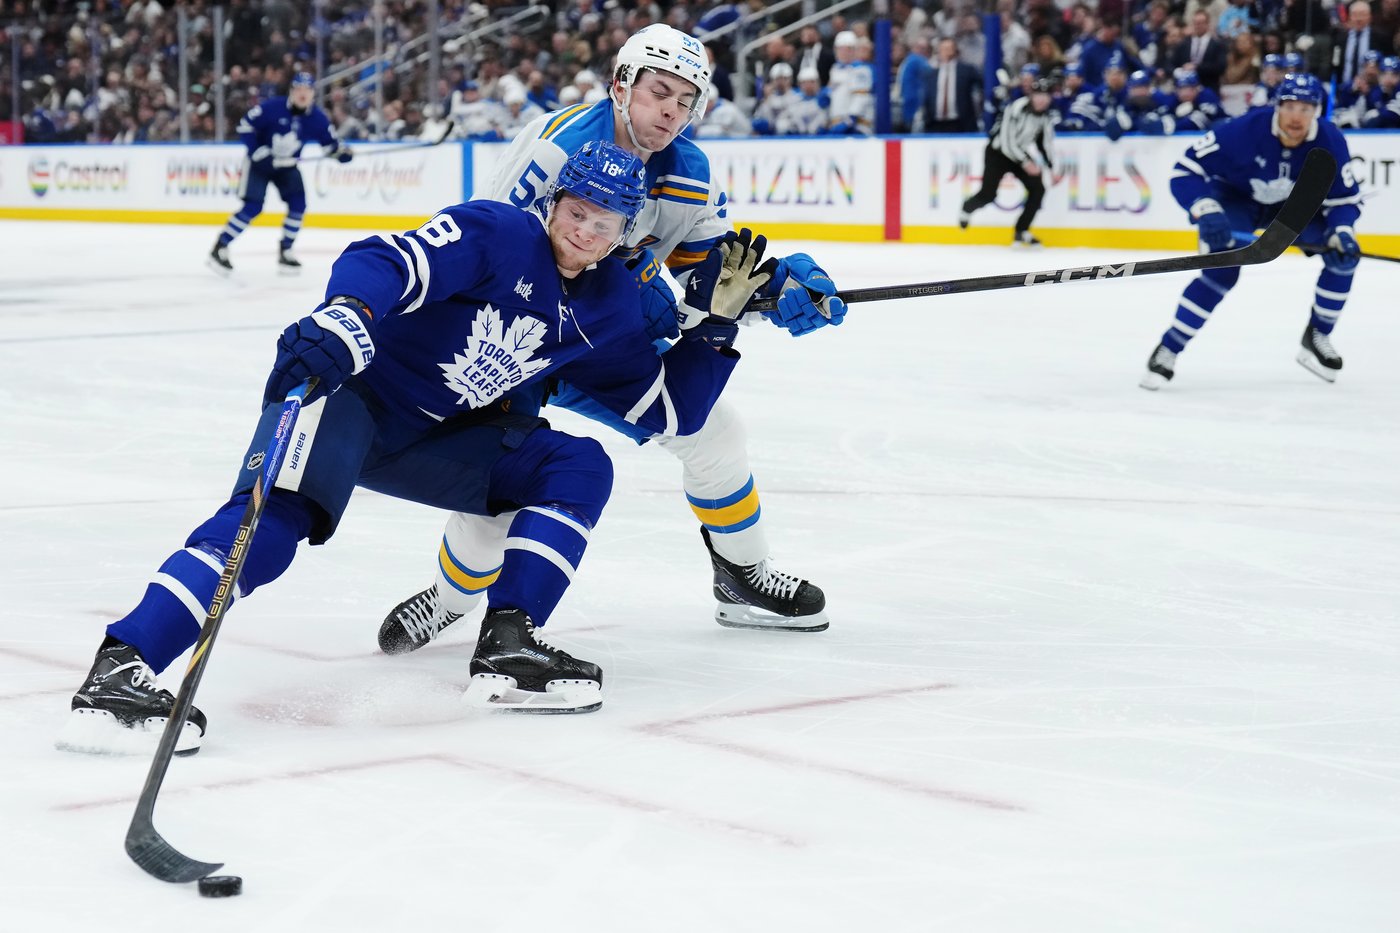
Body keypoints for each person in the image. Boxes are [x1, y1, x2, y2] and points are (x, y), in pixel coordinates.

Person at [57, 141, 773, 754]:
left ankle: (509, 643)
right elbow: (389, 259)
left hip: (430, 438)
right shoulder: (496, 233)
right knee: (274, 523)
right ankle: (123, 666)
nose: (584, 230)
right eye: (576, 210)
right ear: (554, 203)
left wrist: (713, 330)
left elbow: (666, 409)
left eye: (603, 220)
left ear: (625, 231)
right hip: (348, 391)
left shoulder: (607, 304)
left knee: (578, 466)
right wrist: (347, 314)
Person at [376, 24, 848, 657]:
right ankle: (451, 600)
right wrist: (630, 292)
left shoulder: (691, 170)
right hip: (516, 337)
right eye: (660, 92)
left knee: (715, 435)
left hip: (604, 342)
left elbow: (708, 273)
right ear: (622, 84)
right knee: (500, 490)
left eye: (686, 101)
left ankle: (741, 575)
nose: (671, 113)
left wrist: (773, 285)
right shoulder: (556, 147)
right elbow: (495, 254)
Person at [1139, 73, 1362, 390]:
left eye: (1306, 109)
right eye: (1290, 107)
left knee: (1344, 259)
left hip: (1293, 209)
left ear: (1316, 111)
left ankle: (1318, 335)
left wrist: (1342, 229)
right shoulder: (1243, 130)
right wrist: (1205, 207)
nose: (1296, 117)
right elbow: (1185, 171)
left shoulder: (1331, 140)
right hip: (1236, 200)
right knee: (1222, 271)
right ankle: (1169, 348)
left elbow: (1345, 200)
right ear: (1277, 107)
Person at [208, 72, 352, 276]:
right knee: (253, 206)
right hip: (259, 165)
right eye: (299, 89)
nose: (303, 94)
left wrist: (341, 154)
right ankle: (220, 247)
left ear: (313, 94)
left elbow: (330, 146)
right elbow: (245, 125)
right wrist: (257, 151)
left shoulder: (317, 118)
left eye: (307, 90)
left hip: (287, 166)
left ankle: (286, 250)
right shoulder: (272, 108)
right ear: (292, 91)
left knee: (298, 204)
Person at [958, 75, 1057, 247]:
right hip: (998, 153)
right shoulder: (1016, 108)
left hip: (1019, 155)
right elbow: (1006, 142)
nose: (1042, 100)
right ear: (1031, 95)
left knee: (1038, 189)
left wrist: (1051, 168)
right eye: (1038, 95)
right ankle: (967, 208)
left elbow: (1045, 143)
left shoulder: (1046, 117)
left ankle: (1021, 230)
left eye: (1045, 96)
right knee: (988, 194)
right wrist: (1026, 163)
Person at [922, 36, 982, 133]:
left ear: (955, 50)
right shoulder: (931, 73)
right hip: (935, 125)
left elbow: (981, 85)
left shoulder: (966, 70)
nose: (946, 52)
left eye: (948, 48)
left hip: (960, 124)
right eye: (943, 49)